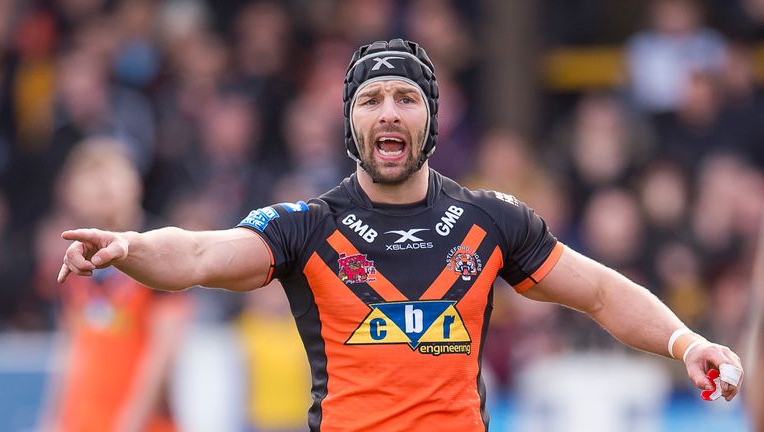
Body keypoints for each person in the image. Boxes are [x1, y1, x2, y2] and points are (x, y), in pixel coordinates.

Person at [57, 39, 744, 431]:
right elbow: (203, 252)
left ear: (432, 118)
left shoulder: (492, 220)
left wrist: (686, 342)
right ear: (351, 123)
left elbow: (596, 290)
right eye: (371, 99)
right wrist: (134, 248)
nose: (390, 112)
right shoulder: (307, 226)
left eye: (407, 98)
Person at [40, 138, 191, 432]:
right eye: (90, 173)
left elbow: (164, 351)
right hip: (84, 421)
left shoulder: (161, 249)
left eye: (112, 171)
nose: (102, 182)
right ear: (71, 193)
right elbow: (71, 349)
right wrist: (53, 421)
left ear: (137, 183)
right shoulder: (74, 257)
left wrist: (129, 423)